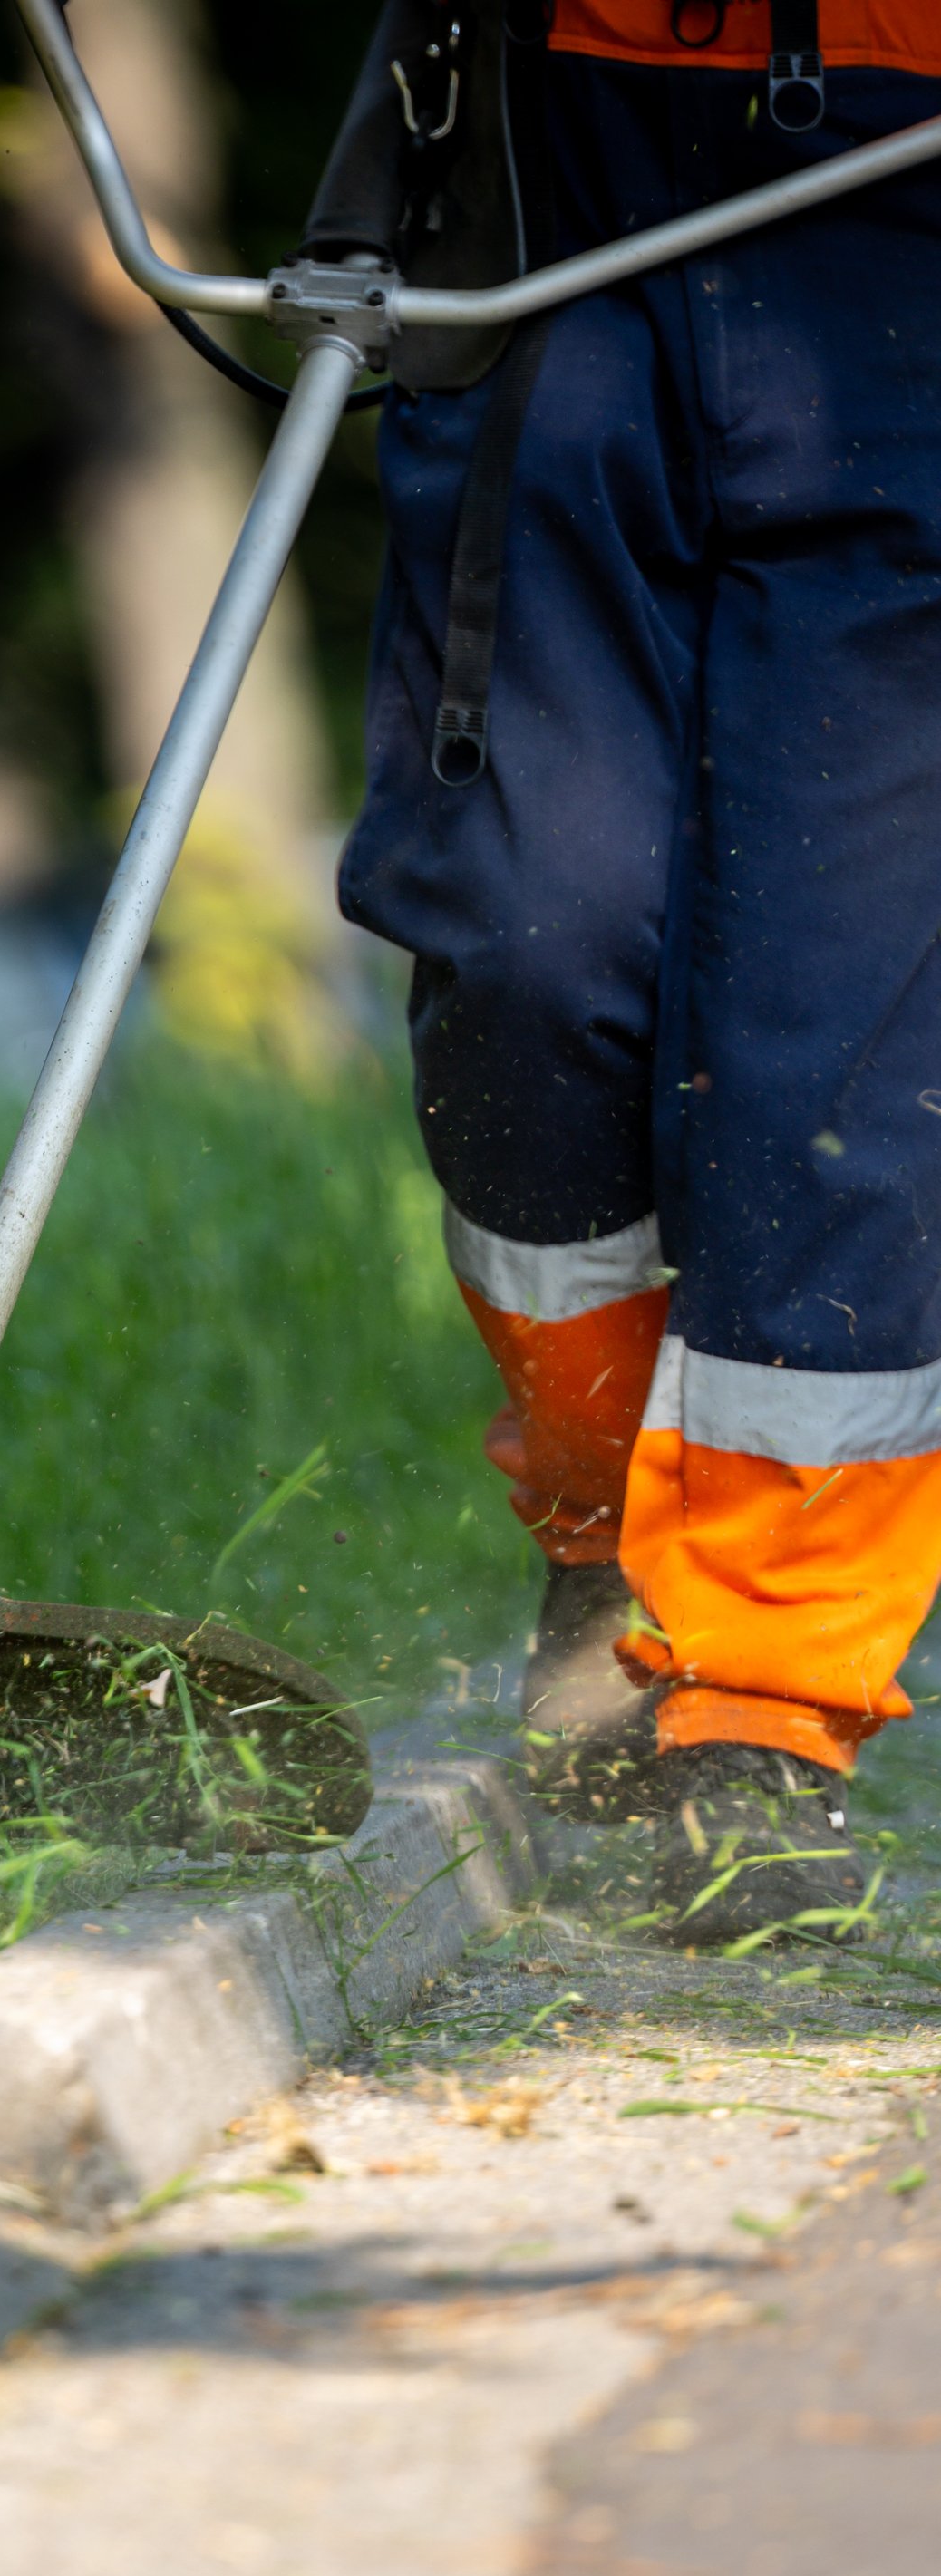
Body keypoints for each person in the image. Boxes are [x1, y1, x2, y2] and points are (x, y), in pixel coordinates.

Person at [325, 0, 941, 1943]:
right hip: (553, 165)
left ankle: (768, 1693)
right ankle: (607, 1530)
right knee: (526, 934)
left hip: (911, 213)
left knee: (834, 1041)